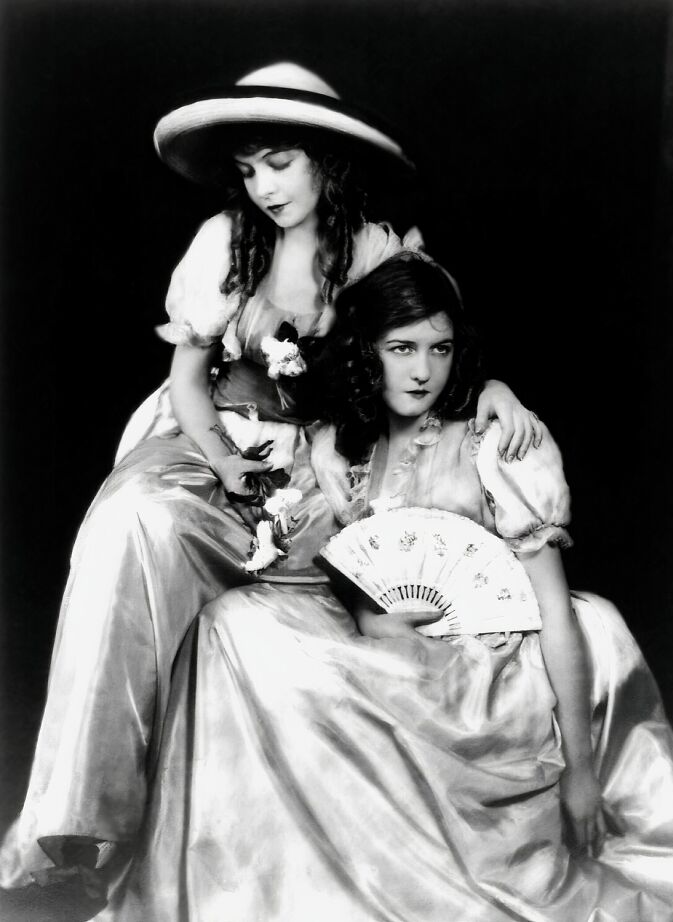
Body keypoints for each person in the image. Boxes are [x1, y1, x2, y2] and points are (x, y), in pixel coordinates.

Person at [0, 63, 539, 904]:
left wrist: (491, 386)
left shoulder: (374, 248)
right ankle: (77, 827)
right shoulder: (225, 241)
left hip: (324, 461)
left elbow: (431, 339)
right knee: (133, 523)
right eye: (249, 169)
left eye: (281, 163)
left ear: (327, 160)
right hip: (213, 436)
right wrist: (225, 463)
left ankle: (253, 838)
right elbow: (187, 384)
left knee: (314, 598)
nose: (265, 187)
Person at [104, 252, 673, 921]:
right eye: (401, 348)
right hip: (396, 653)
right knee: (231, 624)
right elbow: (354, 565)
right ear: (368, 352)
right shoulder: (344, 446)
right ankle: (262, 875)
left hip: (487, 676)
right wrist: (371, 616)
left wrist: (582, 774)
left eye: (439, 349)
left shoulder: (496, 444)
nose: (422, 371)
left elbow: (554, 612)